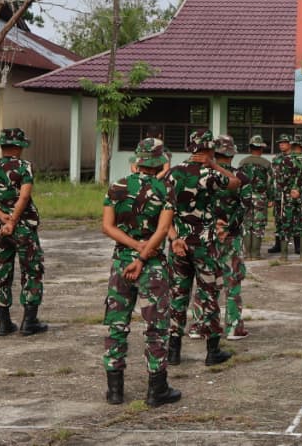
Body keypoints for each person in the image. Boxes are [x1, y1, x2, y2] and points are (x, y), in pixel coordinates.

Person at [101, 138, 181, 407]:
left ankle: (115, 391)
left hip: (121, 263)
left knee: (116, 324)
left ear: (137, 161)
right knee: (156, 327)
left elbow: (108, 227)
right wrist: (143, 254)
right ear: (159, 162)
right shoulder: (166, 188)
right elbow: (162, 231)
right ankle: (156, 390)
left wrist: (132, 249)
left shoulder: (117, 187)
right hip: (152, 266)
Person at [166, 131, 232, 364]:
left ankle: (173, 351)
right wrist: (216, 165)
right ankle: (212, 351)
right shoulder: (210, 173)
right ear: (209, 149)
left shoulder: (173, 173)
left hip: (178, 245)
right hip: (204, 245)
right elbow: (234, 183)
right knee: (209, 296)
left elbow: (166, 212)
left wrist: (173, 238)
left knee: (177, 296)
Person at [0, 127, 47, 337]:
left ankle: (3, 323)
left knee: (0, 273)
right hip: (23, 226)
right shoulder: (25, 167)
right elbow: (24, 197)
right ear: (19, 147)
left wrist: (1, 216)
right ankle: (29, 322)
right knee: (32, 271)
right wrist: (13, 220)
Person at [211, 135, 250, 343]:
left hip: (207, 236)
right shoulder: (241, 177)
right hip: (232, 236)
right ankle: (233, 326)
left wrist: (214, 225)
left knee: (206, 281)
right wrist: (228, 227)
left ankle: (203, 325)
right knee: (233, 280)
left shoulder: (205, 175)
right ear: (232, 153)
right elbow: (245, 206)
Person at [237, 135, 274, 260]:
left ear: (250, 148)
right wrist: (271, 198)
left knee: (247, 224)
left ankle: (247, 254)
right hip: (260, 197)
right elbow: (270, 183)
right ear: (261, 148)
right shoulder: (266, 164)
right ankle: (256, 253)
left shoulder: (242, 163)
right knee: (258, 224)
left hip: (245, 197)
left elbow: (238, 180)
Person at [282, 134, 302, 259]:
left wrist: (290, 190)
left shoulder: (285, 159)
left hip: (288, 196)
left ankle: (284, 255)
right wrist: (299, 190)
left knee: (286, 223)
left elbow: (280, 179)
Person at [266, 134, 293, 255]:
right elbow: (272, 178)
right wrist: (270, 196)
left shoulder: (295, 158)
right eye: (280, 143)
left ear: (290, 144)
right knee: (278, 220)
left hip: (291, 194)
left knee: (293, 219)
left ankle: (297, 246)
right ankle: (278, 245)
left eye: (284, 142)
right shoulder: (276, 159)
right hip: (278, 194)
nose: (281, 144)